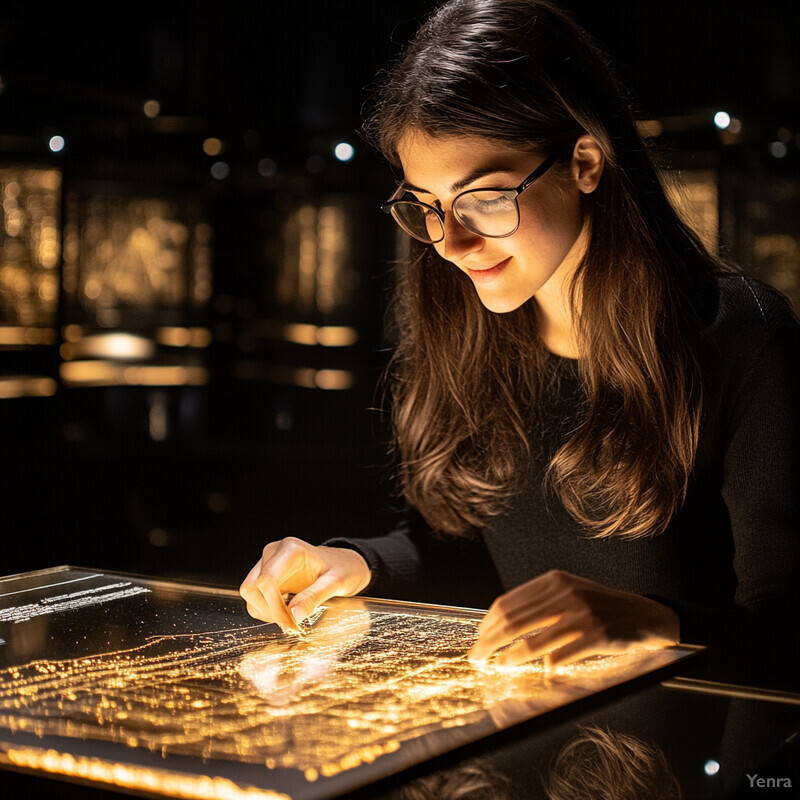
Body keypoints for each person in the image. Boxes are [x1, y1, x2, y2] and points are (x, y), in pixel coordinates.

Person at [240, 0, 800, 688]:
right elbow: (467, 553)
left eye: (484, 198)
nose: (452, 242)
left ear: (585, 162)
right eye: (427, 205)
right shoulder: (468, 325)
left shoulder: (742, 338)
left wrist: (655, 623)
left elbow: (786, 634)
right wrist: (356, 565)